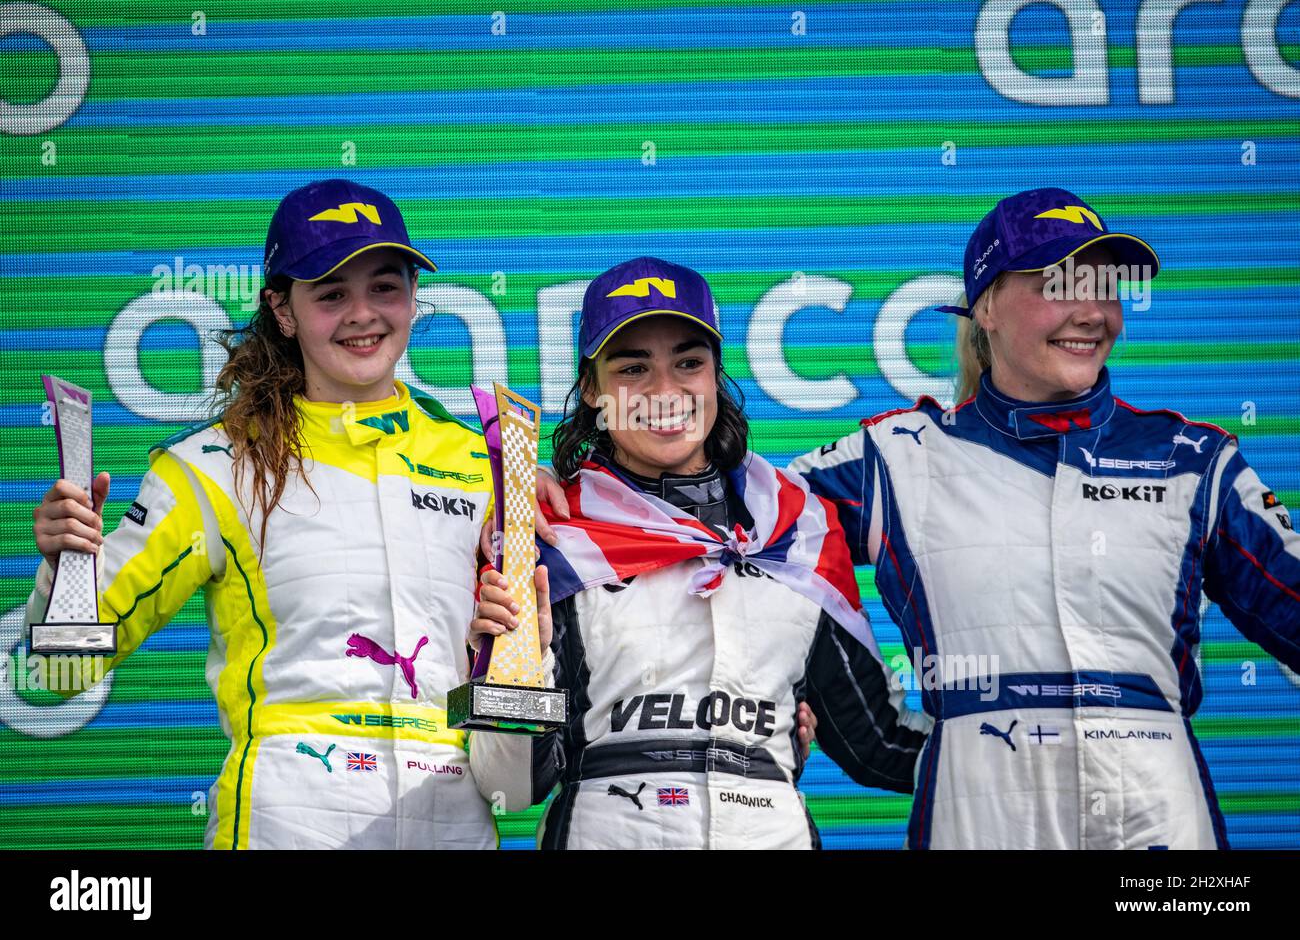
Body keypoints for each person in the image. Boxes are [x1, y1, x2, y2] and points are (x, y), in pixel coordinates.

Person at [784, 188, 1300, 848]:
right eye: (1060, 282)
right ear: (986, 305)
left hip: (1158, 814)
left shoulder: (1191, 461)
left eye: (1105, 285)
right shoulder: (898, 455)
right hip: (978, 810)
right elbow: (736, 535)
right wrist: (848, 717)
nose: (1091, 310)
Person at [27, 179, 499, 849]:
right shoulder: (212, 466)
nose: (363, 313)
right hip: (287, 821)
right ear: (282, 307)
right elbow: (63, 666)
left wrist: (519, 729)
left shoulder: (483, 462)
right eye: (331, 293)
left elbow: (515, 682)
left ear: (414, 298)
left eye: (384, 286)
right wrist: (65, 569)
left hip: (453, 820)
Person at [468, 257, 931, 849]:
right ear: (590, 388)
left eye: (688, 362)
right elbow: (507, 786)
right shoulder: (548, 535)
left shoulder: (795, 529)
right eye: (633, 367)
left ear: (716, 374)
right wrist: (519, 676)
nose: (665, 392)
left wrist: (1030, 744)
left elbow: (879, 747)